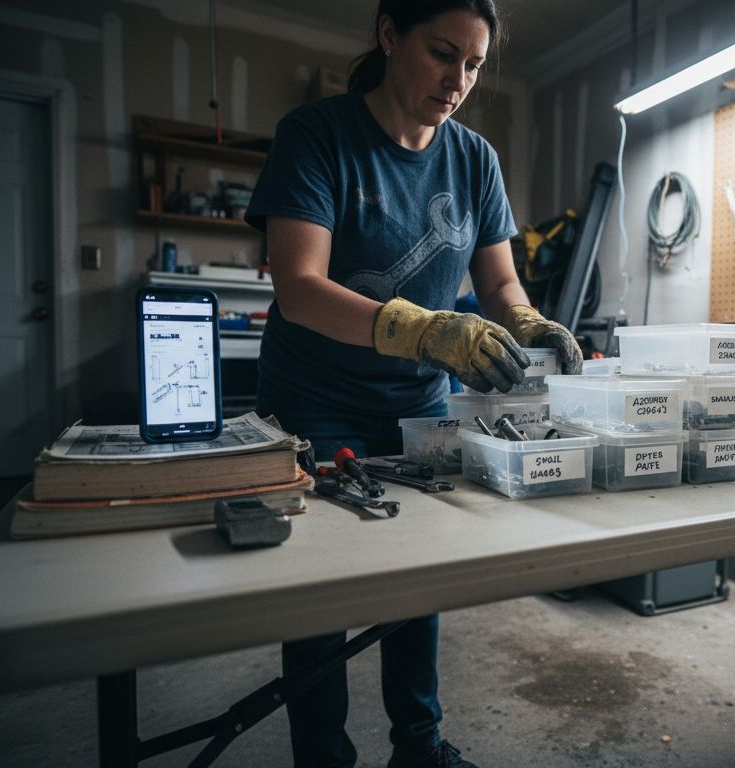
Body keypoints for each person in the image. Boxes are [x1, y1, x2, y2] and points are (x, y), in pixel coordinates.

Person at [245, 1, 583, 766]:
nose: (458, 80)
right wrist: (425, 329)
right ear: (389, 35)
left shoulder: (475, 159)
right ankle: (323, 756)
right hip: (313, 399)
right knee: (320, 592)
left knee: (416, 578)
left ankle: (420, 748)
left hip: (417, 406)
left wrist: (528, 323)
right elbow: (297, 286)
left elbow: (500, 286)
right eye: (441, 54)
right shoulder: (318, 134)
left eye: (472, 64)